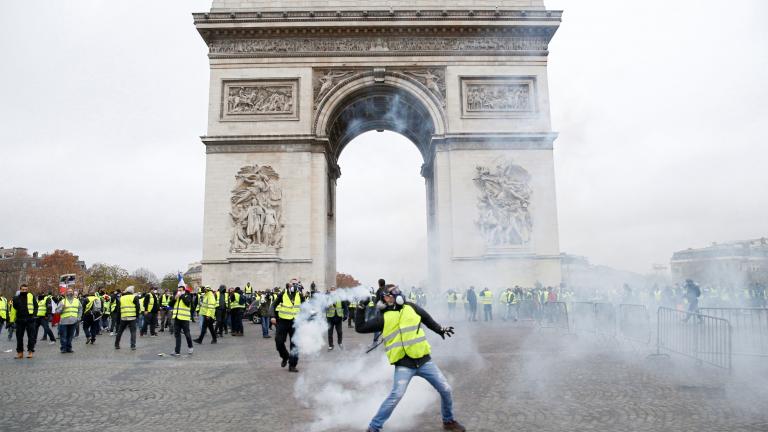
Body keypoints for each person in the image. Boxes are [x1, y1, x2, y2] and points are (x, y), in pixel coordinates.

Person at [355, 284, 465, 432]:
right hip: (404, 364)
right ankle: (374, 428)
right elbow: (360, 328)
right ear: (383, 300)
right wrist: (360, 308)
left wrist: (440, 329)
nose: (389, 297)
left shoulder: (411, 307)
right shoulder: (383, 318)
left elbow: (427, 318)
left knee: (446, 389)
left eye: (391, 294)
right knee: (396, 396)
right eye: (386, 296)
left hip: (424, 361)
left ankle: (449, 421)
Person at [271, 280, 303, 372]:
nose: (294, 285)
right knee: (278, 341)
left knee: (295, 344)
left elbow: (305, 307)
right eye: (293, 283)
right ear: (288, 284)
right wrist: (273, 316)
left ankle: (292, 365)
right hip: (283, 321)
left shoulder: (300, 295)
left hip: (295, 322)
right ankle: (285, 356)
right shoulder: (282, 294)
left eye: (296, 283)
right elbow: (273, 305)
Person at [11, 284, 38, 359]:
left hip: (30, 319)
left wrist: (34, 315)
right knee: (19, 337)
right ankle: (20, 353)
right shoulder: (16, 298)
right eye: (23, 289)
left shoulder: (31, 296)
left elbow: (36, 306)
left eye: (26, 289)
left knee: (31, 337)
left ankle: (30, 351)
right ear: (20, 290)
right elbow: (13, 309)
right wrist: (11, 320)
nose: (24, 291)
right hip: (20, 320)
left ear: (27, 290)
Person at [170, 285, 194, 356]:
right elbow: (170, 305)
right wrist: (174, 298)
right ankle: (177, 351)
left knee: (187, 334)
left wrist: (182, 295)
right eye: (178, 290)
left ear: (184, 290)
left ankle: (190, 347)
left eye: (181, 290)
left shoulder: (188, 296)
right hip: (177, 318)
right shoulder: (176, 296)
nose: (179, 291)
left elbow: (187, 303)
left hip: (184, 319)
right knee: (177, 335)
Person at [114, 286, 140, 351]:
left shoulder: (121, 298)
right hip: (132, 317)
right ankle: (133, 346)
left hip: (123, 317)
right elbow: (138, 308)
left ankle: (116, 345)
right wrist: (137, 315)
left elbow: (119, 309)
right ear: (132, 291)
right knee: (133, 332)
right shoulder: (135, 297)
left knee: (120, 331)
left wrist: (118, 319)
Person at [57, 288, 82, 354]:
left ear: (73, 293)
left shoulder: (77, 301)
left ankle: (69, 348)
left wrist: (78, 317)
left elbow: (80, 309)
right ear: (66, 293)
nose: (70, 293)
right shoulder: (62, 301)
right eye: (68, 291)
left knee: (70, 336)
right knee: (63, 336)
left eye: (71, 291)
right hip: (64, 321)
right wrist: (62, 308)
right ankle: (63, 348)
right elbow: (57, 312)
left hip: (73, 321)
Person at [325, 285, 348, 350]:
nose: (333, 291)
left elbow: (345, 307)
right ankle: (331, 345)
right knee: (330, 332)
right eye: (332, 289)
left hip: (338, 317)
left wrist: (346, 315)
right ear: (330, 291)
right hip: (330, 317)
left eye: (334, 289)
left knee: (340, 331)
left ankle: (340, 342)